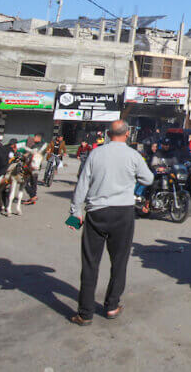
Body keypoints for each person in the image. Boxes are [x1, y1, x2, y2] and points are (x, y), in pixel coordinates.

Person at [69, 120, 152, 325]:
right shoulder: (134, 156)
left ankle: (85, 313)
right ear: (127, 134)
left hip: (96, 212)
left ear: (108, 134)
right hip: (123, 213)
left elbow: (83, 183)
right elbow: (148, 179)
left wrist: (75, 212)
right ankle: (112, 306)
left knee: (90, 263)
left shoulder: (96, 153)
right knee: (119, 262)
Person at [23, 133, 45, 205]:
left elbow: (31, 154)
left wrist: (25, 156)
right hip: (37, 167)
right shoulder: (41, 145)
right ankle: (33, 197)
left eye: (35, 137)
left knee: (24, 182)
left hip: (32, 167)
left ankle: (33, 196)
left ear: (39, 138)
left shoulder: (37, 146)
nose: (33, 138)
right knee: (33, 182)